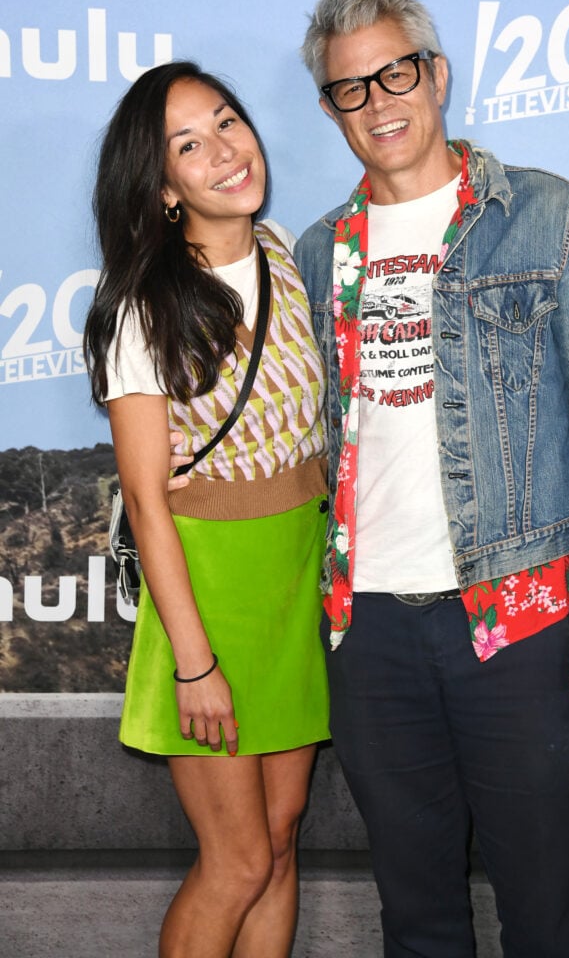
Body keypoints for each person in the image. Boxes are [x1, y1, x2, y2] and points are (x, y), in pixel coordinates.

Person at [290, 0, 569, 958]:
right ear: (332, 111)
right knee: (415, 920)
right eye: (350, 89)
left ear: (437, 74)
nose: (378, 103)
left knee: (542, 916)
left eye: (394, 73)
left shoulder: (549, 216)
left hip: (517, 623)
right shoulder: (321, 253)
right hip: (369, 633)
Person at [83, 61, 329, 958]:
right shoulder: (141, 308)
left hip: (293, 579)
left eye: (228, 121)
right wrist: (195, 664)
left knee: (281, 837)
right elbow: (148, 501)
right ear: (163, 187)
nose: (226, 150)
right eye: (191, 144)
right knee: (234, 860)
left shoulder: (290, 258)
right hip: (209, 594)